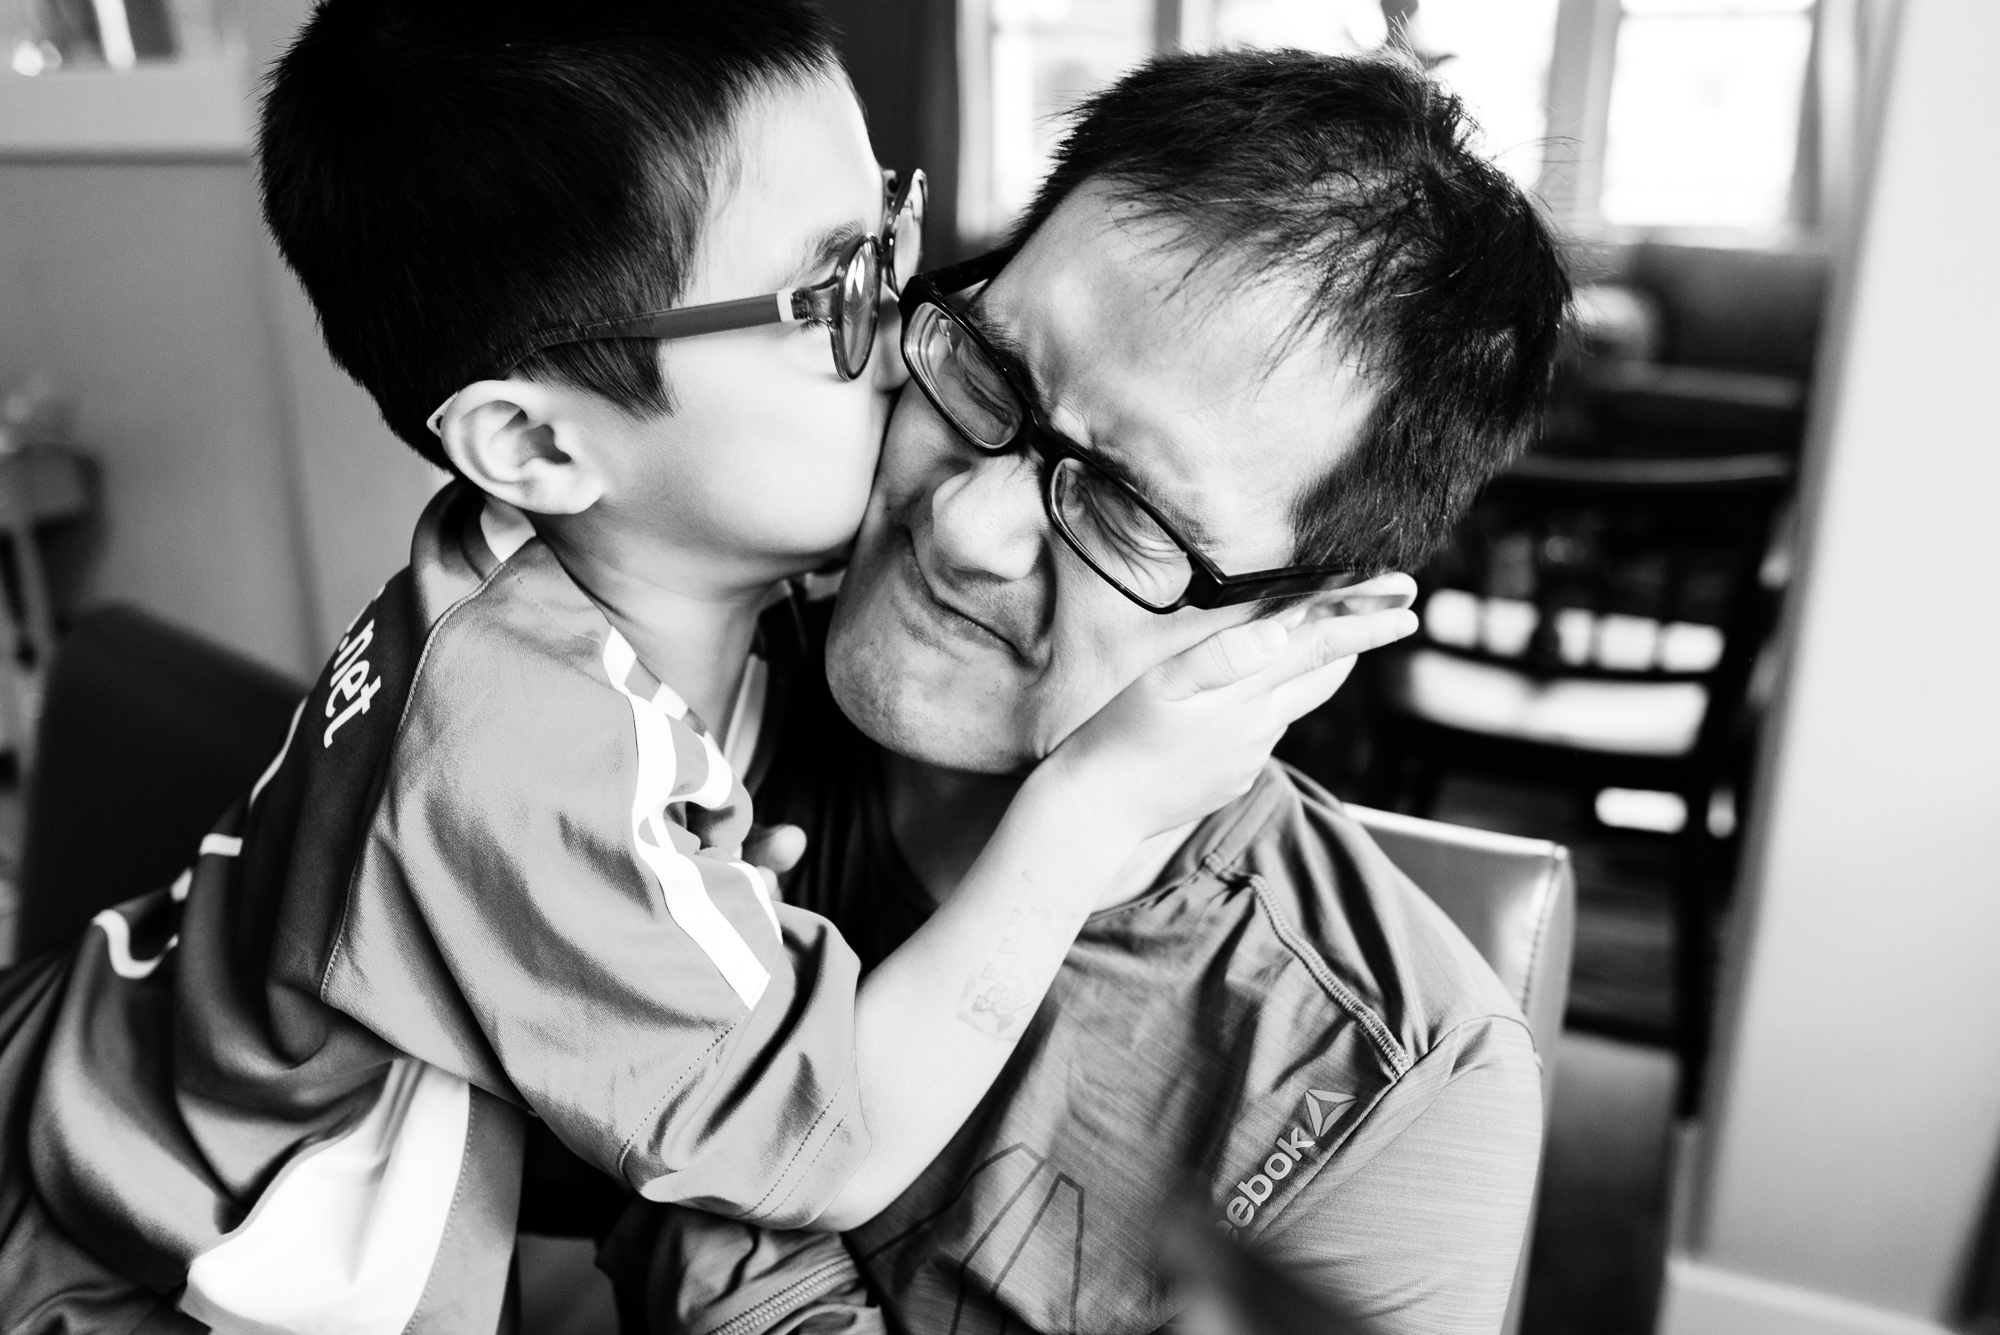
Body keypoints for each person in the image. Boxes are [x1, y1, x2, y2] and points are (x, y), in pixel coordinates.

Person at [0, 7, 1414, 1332]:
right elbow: (833, 1141)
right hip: (84, 1257)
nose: (905, 331)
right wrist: (1095, 805)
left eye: (892, 240)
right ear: (542, 445)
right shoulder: (526, 735)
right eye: (836, 295)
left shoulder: (547, 587)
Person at [604, 50, 1572, 1335]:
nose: (964, 528)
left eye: (1125, 510)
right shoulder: (677, 700)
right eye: (988, 378)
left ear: (1312, 624)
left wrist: (719, 1117)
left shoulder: (1392, 1091)